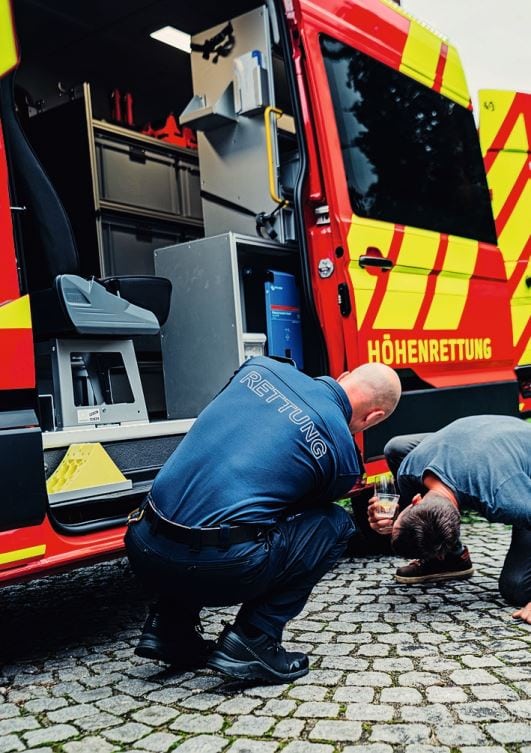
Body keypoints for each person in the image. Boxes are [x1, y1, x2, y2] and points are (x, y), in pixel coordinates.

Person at [125, 355, 401, 683]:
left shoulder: (259, 368)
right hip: (219, 568)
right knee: (335, 524)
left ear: (342, 376)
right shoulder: (341, 455)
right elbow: (287, 514)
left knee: (217, 493)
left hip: (141, 544)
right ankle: (254, 639)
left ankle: (169, 626)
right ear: (375, 416)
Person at [367, 415, 531, 624]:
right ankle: (453, 560)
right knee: (397, 447)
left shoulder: (507, 499)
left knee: (517, 586)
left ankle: (449, 557)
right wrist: (386, 524)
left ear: (417, 500)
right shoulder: (410, 468)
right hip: (484, 438)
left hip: (516, 444)